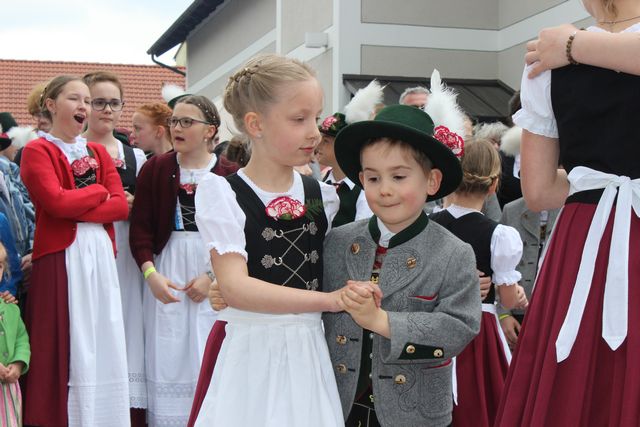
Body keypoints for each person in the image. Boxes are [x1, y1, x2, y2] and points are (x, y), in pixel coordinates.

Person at [495, 1, 640, 425]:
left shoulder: (550, 54)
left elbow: (538, 192)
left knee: (574, 375)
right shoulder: (555, 48)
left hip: (584, 234)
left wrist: (572, 45)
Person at [189, 54, 346, 427]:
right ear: (255, 124)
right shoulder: (223, 194)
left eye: (316, 117)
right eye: (298, 119)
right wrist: (328, 301)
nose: (314, 132)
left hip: (310, 350)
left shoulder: (321, 195)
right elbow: (238, 288)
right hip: (253, 352)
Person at [322, 104, 481, 427]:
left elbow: (458, 328)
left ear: (432, 181)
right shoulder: (337, 242)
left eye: (399, 176)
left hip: (414, 413)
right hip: (338, 405)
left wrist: (381, 321)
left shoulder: (453, 253)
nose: (385, 189)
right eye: (373, 177)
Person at [20, 75, 130, 426]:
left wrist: (81, 203)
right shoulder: (38, 150)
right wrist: (98, 192)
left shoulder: (97, 151)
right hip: (60, 256)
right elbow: (54, 203)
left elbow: (122, 208)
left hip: (99, 252)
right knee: (63, 338)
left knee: (100, 331)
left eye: (87, 100)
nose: (84, 106)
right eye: (74, 99)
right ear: (51, 105)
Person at [129, 95, 236, 426]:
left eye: (187, 122)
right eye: (175, 121)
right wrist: (151, 275)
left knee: (209, 346)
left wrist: (212, 276)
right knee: (168, 350)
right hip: (168, 267)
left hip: (215, 269)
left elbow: (237, 236)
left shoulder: (229, 174)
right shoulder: (156, 168)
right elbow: (141, 230)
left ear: (210, 131)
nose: (177, 128)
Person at [430, 137, 527, 427]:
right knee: (480, 407)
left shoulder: (426, 226)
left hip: (432, 326)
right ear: (494, 185)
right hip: (477, 332)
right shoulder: (498, 235)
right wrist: (517, 294)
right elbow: (509, 300)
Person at [82, 71, 148, 422]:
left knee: (126, 319)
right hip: (88, 245)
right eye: (98, 102)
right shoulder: (73, 150)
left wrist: (136, 202)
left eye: (113, 103)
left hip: (126, 246)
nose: (107, 110)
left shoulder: (137, 157)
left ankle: (124, 406)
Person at [498, 196, 559, 349]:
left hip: (557, 313)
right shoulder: (511, 210)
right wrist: (503, 314)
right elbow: (497, 266)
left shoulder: (573, 209)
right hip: (518, 312)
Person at [0, 242, 30, 427]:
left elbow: (22, 339)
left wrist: (18, 364)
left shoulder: (10, 308)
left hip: (6, 390)